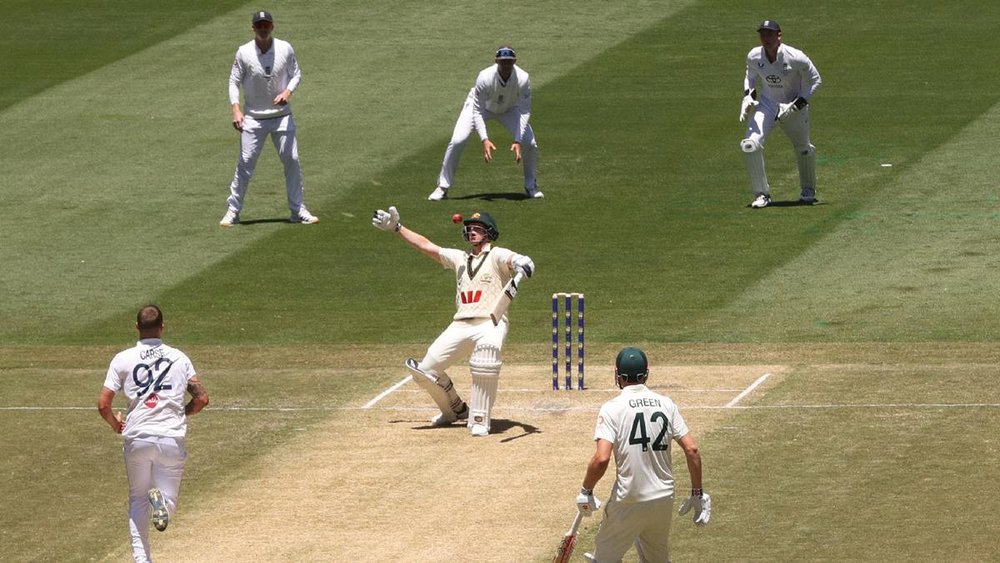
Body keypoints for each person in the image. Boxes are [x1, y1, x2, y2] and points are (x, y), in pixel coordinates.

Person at [371, 206, 535, 436]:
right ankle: (455, 410)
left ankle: (480, 419)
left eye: (478, 229)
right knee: (424, 372)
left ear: (489, 232)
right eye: (470, 228)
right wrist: (397, 228)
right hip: (460, 324)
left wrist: (522, 262)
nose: (472, 232)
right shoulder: (459, 258)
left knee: (485, 358)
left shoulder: (496, 255)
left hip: (490, 322)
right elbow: (426, 246)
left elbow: (513, 259)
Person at [575, 347, 710, 562]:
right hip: (663, 498)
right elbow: (692, 449)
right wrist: (697, 492)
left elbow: (601, 458)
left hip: (628, 500)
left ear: (618, 375)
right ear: (646, 373)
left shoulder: (612, 408)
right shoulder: (666, 404)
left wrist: (586, 490)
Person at [97, 305, 210, 563]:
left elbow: (103, 405)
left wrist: (116, 424)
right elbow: (202, 399)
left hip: (137, 438)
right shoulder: (179, 358)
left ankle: (142, 560)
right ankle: (163, 505)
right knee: (168, 503)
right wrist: (181, 413)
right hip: (170, 439)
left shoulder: (123, 359)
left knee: (137, 499)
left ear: (137, 327)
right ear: (162, 327)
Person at [220, 10, 318, 227]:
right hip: (253, 119)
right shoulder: (244, 52)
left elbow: (296, 74)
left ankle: (298, 210)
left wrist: (287, 93)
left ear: (272, 26)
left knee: (292, 160)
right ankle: (233, 211)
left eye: (266, 25)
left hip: (282, 117)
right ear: (253, 28)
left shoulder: (285, 48)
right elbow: (233, 81)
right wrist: (236, 109)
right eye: (259, 25)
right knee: (246, 163)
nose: (263, 29)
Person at [428, 45, 543, 201]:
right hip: (481, 108)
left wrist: (517, 140)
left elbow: (524, 111)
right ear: (496, 62)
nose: (506, 65)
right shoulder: (485, 77)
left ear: (514, 61)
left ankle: (531, 186)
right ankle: (443, 186)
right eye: (503, 62)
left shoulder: (523, 78)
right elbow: (477, 111)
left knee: (530, 143)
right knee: (457, 141)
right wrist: (484, 139)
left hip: (509, 109)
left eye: (509, 62)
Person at [739, 19, 822, 208]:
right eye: (763, 34)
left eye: (769, 34)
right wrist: (748, 96)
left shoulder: (796, 56)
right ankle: (762, 194)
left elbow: (816, 80)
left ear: (779, 36)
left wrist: (797, 104)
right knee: (750, 145)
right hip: (767, 104)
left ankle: (808, 190)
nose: (765, 38)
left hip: (793, 106)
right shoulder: (754, 55)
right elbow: (750, 77)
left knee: (803, 148)